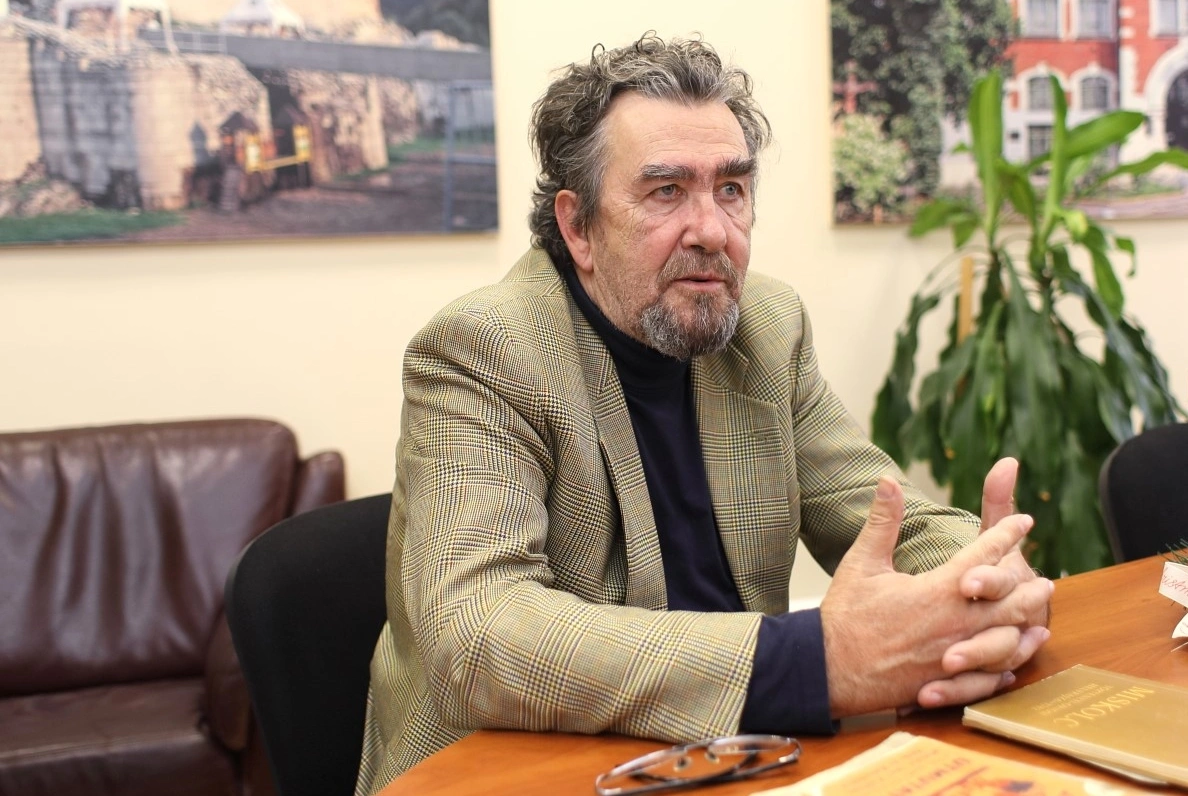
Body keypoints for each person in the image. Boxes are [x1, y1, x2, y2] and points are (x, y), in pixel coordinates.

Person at [354, 33, 1052, 795]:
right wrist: (818, 661)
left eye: (731, 188)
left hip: (738, 759)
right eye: (666, 192)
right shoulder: (485, 348)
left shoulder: (766, 326)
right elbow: (478, 636)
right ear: (578, 226)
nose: (713, 230)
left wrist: (982, 581)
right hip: (516, 771)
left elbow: (887, 517)